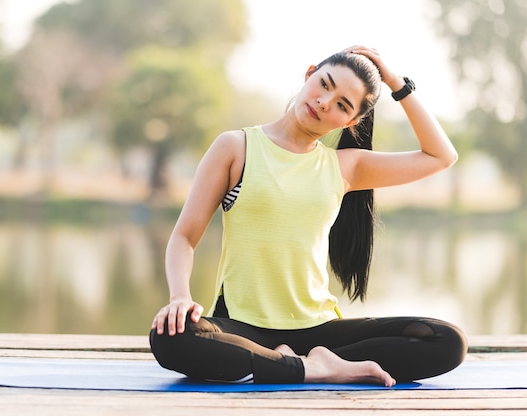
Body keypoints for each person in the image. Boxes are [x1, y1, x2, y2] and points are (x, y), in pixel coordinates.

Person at [149, 45, 467, 387]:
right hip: (243, 326)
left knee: (446, 340)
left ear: (351, 121)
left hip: (319, 331)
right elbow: (184, 237)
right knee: (171, 337)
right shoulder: (236, 148)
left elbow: (441, 156)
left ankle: (298, 363)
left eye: (342, 105)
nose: (325, 102)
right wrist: (180, 297)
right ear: (309, 74)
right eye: (325, 84)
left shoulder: (346, 166)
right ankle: (313, 369)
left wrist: (394, 82)